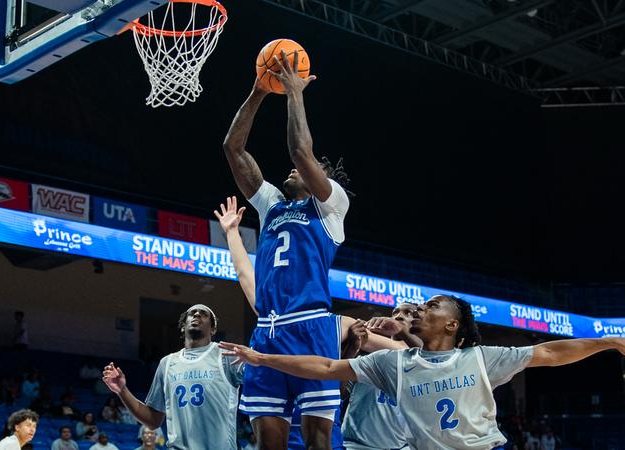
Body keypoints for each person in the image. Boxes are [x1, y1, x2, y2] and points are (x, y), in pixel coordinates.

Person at [221, 294, 625, 450]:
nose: (422, 310)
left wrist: (607, 341)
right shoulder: (396, 364)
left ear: (452, 325)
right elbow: (328, 366)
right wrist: (263, 359)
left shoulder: (481, 358)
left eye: (431, 307)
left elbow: (551, 353)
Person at [223, 45, 352, 450]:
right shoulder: (273, 205)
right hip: (267, 331)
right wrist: (260, 90)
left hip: (311, 327)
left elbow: (301, 151)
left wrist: (294, 91)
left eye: (308, 170)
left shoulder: (331, 205)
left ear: (322, 177)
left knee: (317, 444)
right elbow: (233, 148)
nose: (293, 168)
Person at [214, 197, 408, 450]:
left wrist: (405, 333)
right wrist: (232, 234)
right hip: (276, 384)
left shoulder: (335, 324)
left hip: (333, 433)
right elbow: (246, 277)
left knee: (319, 440)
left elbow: (402, 352)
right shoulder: (270, 315)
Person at [103, 304, 242, 449]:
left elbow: (262, 381)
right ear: (183, 326)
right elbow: (153, 420)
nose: (197, 315)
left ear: (213, 329)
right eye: (192, 313)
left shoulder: (227, 356)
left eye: (204, 314)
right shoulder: (167, 363)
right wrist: (122, 390)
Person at [341, 302, 423, 450]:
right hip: (355, 446)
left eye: (409, 313)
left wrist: (403, 332)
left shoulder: (424, 364)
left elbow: (432, 359)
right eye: (395, 312)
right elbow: (340, 393)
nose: (399, 316)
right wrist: (352, 349)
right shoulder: (367, 360)